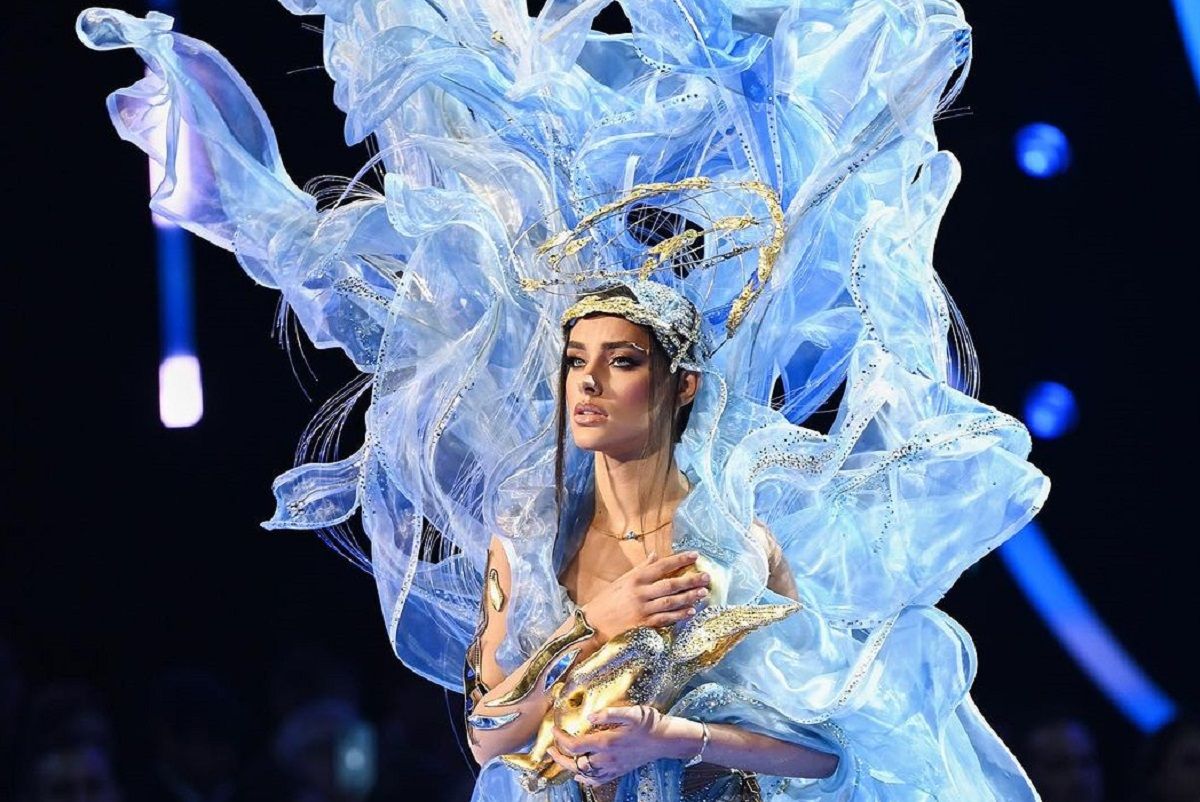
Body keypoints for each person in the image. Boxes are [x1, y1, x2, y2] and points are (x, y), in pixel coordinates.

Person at [78, 1, 1051, 799]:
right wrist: (599, 619)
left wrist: (671, 736)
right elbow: (488, 735)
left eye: (619, 362)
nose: (586, 383)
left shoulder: (738, 534)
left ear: (680, 387)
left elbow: (834, 752)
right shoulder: (528, 533)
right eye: (576, 361)